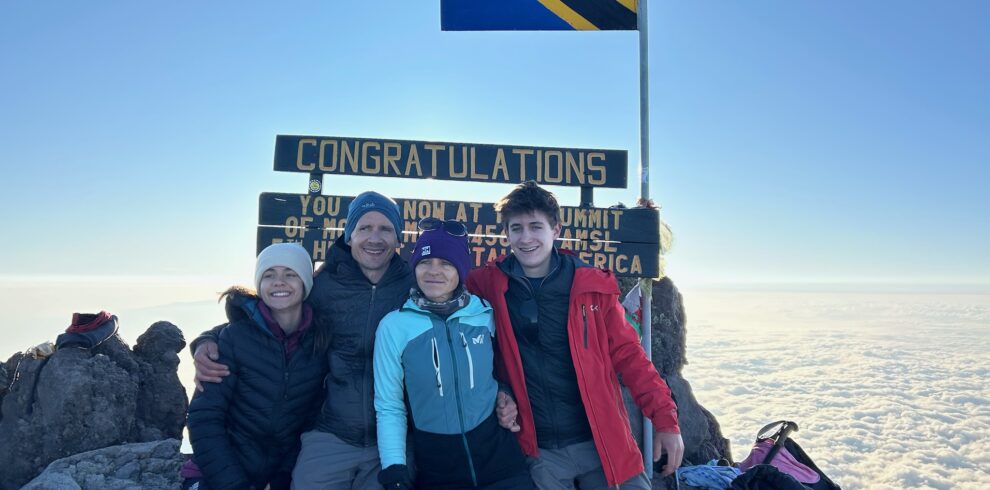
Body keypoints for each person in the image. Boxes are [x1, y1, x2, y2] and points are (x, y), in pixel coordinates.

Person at [465, 181, 684, 489]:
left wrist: (666, 421)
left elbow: (630, 356)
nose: (525, 238)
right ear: (506, 234)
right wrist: (502, 389)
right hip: (539, 452)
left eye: (535, 227)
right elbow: (470, 351)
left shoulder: (592, 287)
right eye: (516, 228)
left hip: (604, 441)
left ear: (555, 230)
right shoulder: (486, 285)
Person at [192, 191, 415, 489]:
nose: (375, 238)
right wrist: (207, 340)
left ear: (398, 237)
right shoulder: (323, 286)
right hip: (331, 431)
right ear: (349, 236)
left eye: (386, 229)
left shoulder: (414, 285)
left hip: (393, 434)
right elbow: (271, 316)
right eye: (364, 228)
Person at [374, 218, 533, 490]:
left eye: (446, 263)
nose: (434, 271)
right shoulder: (394, 325)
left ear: (461, 270)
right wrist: (394, 469)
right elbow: (389, 405)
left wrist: (503, 393)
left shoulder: (485, 313)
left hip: (502, 464)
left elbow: (503, 371)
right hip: (438, 470)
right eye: (425, 262)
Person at [184, 243, 327, 490]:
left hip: (276, 477)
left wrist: (281, 479)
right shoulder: (233, 339)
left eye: (290, 274)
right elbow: (204, 418)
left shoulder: (319, 343)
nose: (279, 282)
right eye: (269, 275)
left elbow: (310, 421)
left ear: (305, 283)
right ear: (259, 284)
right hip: (216, 474)